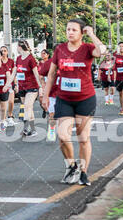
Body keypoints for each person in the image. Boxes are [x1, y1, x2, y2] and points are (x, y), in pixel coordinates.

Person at [43, 19, 106, 186]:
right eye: (68, 29)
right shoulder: (60, 49)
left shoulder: (87, 49)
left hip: (85, 99)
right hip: (64, 99)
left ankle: (84, 172)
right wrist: (45, 95)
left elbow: (102, 52)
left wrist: (91, 33)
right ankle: (71, 165)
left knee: (83, 138)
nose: (70, 32)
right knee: (63, 136)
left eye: (74, 30)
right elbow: (51, 75)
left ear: (81, 33)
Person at [10, 40, 41, 137]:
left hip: (32, 87)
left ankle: (25, 128)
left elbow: (36, 74)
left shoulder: (31, 59)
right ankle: (33, 130)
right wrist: (8, 84)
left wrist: (40, 87)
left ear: (20, 47)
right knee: (28, 109)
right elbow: (14, 73)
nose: (16, 49)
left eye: (16, 47)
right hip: (22, 88)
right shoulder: (18, 59)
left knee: (27, 106)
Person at [38, 49, 59, 142]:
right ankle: (51, 130)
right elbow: (41, 76)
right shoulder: (49, 63)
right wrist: (43, 85)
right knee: (52, 114)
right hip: (52, 92)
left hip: (66, 93)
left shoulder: (69, 62)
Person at [0, 45, 15, 126]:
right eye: (2, 51)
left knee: (11, 102)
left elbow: (14, 73)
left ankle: (10, 116)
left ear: (7, 52)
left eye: (5, 50)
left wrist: (16, 84)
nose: (3, 52)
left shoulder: (11, 61)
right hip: (1, 86)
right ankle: (4, 119)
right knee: (3, 103)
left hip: (10, 85)